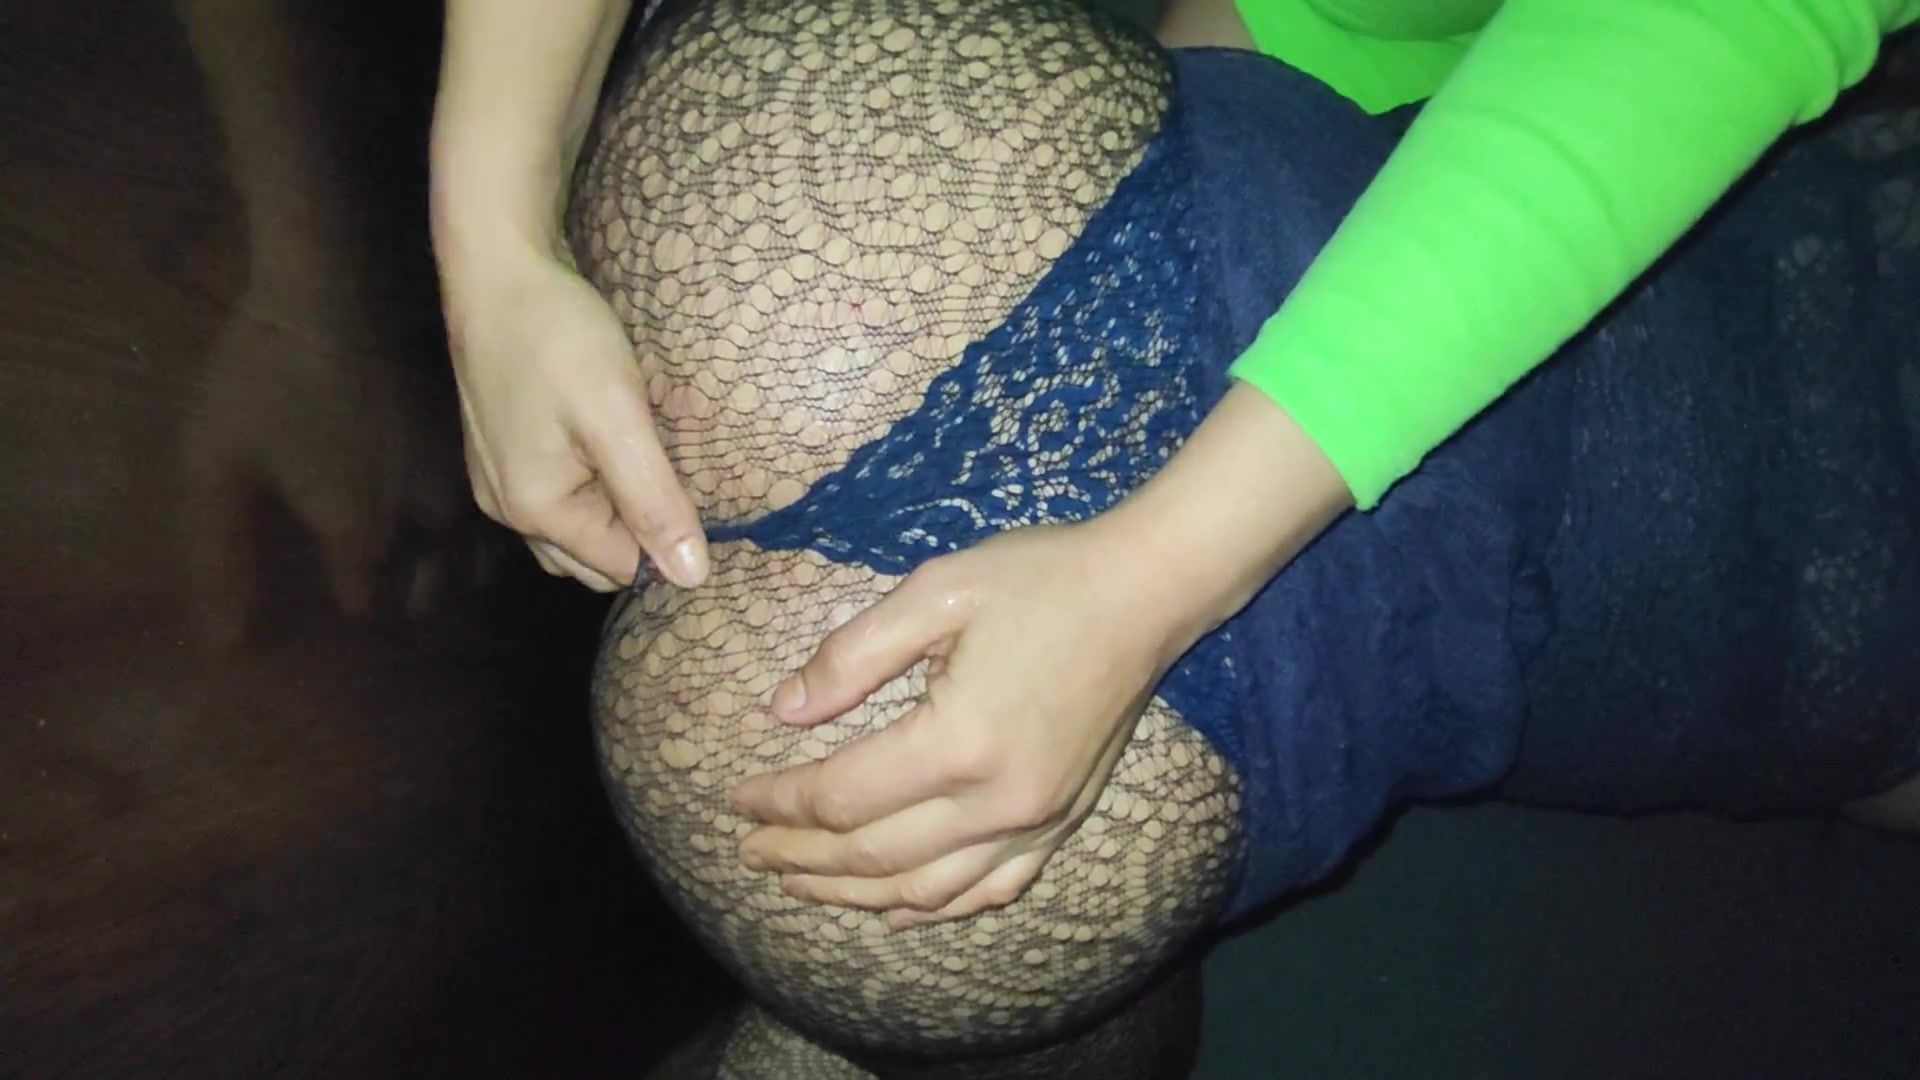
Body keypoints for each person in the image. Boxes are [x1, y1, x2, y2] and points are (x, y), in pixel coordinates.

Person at [548, 0, 1918, 1074]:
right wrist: (1155, 570)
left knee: (933, 938)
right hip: (1314, 315)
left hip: (1193, 203)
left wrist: (496, 208)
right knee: (943, 944)